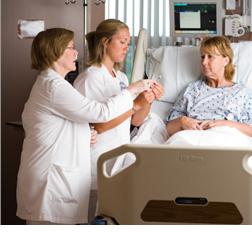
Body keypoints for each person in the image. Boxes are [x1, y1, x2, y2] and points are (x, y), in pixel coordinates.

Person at [16, 28, 153, 224]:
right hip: (50, 181)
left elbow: (63, 124)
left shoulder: (55, 84)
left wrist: (83, 134)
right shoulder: (53, 86)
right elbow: (99, 113)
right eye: (71, 48)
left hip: (55, 177)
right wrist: (133, 90)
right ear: (55, 52)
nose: (76, 53)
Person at [73, 19, 163, 220]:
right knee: (92, 219)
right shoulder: (90, 78)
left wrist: (148, 99)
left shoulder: (121, 78)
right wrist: (135, 105)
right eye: (122, 42)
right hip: (96, 160)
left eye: (128, 43)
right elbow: (98, 126)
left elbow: (136, 121)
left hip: (118, 158)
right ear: (105, 42)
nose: (126, 48)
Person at [166, 36, 252, 140]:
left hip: (225, 142)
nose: (204, 62)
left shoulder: (241, 93)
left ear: (226, 60)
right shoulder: (191, 90)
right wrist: (183, 121)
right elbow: (168, 128)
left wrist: (225, 124)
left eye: (210, 56)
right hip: (192, 142)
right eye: (202, 57)